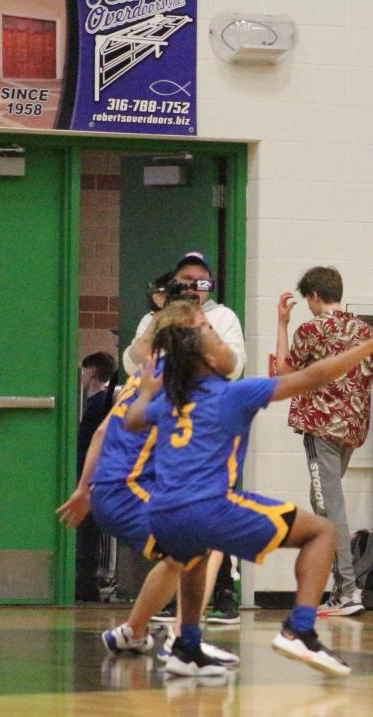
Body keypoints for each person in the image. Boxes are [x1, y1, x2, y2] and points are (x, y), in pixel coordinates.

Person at [124, 299, 373, 677]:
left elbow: (134, 421)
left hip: (163, 512)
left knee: (195, 552)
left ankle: (187, 644)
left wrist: (144, 390)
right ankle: (300, 628)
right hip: (207, 506)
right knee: (322, 531)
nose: (221, 340)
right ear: (205, 359)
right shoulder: (233, 393)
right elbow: (312, 377)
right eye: (210, 335)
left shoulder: (175, 397)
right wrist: (372, 344)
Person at [58, 302, 236, 669]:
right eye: (202, 326)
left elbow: (103, 432)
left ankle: (133, 632)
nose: (210, 332)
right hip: (128, 490)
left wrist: (84, 490)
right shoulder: (180, 376)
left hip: (114, 491)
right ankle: (182, 640)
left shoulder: (147, 374)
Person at [125, 251, 247, 626]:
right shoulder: (153, 319)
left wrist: (190, 339)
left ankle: (222, 593)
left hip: (210, 426)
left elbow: (234, 365)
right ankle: (164, 599)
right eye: (186, 281)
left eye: (202, 282)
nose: (194, 288)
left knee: (214, 509)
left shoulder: (223, 317)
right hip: (164, 427)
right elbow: (134, 362)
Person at [274, 266, 373, 617]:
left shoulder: (311, 329)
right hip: (352, 432)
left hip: (321, 431)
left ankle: (347, 590)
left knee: (330, 509)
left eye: (308, 300)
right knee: (324, 505)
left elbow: (284, 373)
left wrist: (283, 324)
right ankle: (340, 588)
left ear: (314, 296)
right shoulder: (364, 331)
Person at [74, 351, 117, 602]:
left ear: (91, 372)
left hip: (92, 474)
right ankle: (87, 580)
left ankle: (86, 581)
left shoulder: (98, 404)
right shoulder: (101, 402)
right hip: (94, 474)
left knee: (88, 530)